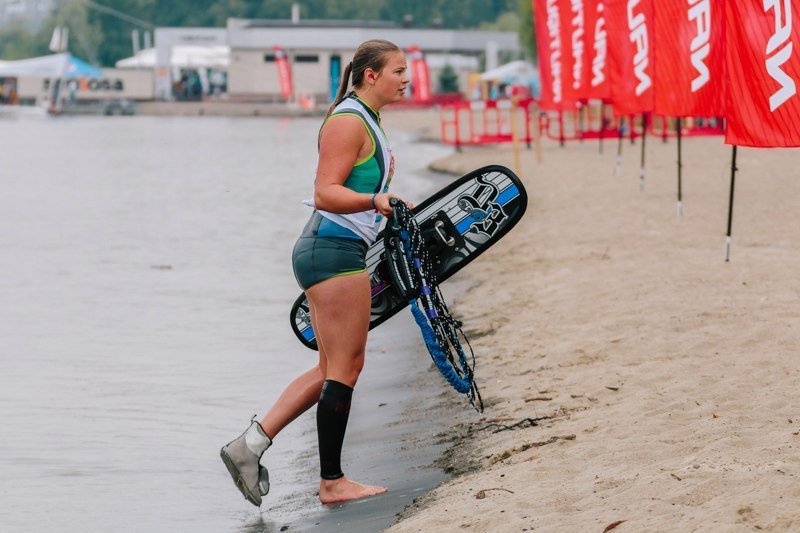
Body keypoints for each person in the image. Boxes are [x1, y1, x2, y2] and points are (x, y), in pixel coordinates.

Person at [220, 39, 411, 507]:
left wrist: (378, 206)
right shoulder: (348, 121)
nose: (406, 79)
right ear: (371, 75)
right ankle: (332, 482)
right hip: (331, 249)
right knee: (347, 366)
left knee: (331, 367)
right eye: (398, 71)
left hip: (332, 247)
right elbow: (326, 193)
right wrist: (374, 201)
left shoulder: (365, 118)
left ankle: (249, 446)